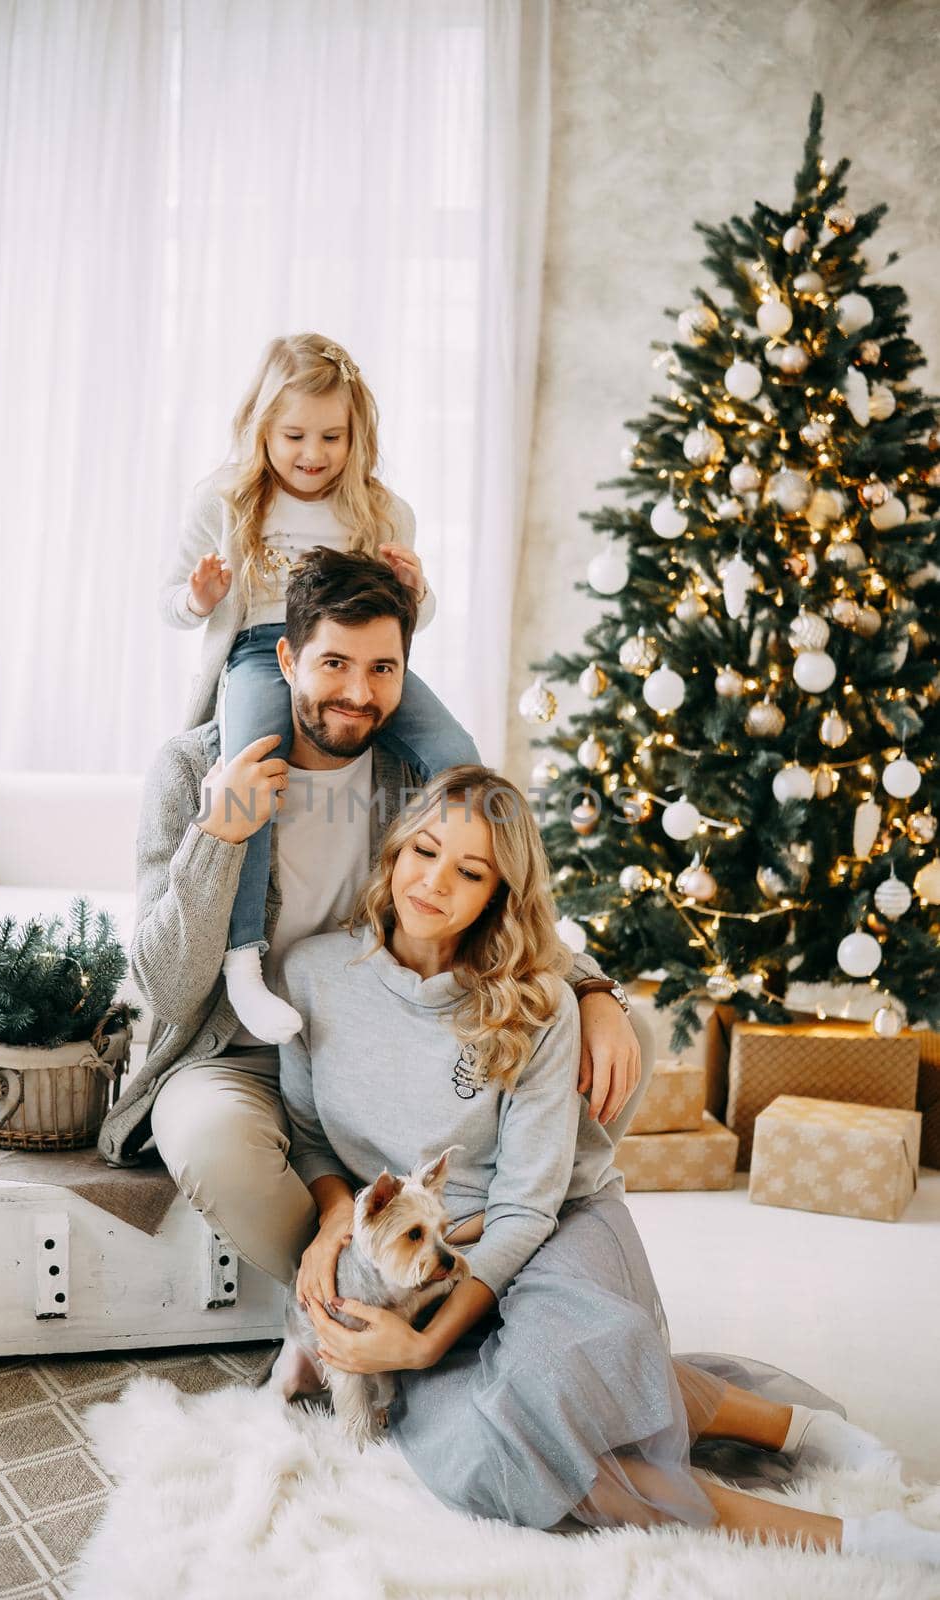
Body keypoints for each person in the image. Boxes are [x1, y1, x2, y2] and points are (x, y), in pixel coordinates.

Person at [277, 765, 934, 1567]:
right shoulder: (313, 974)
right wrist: (337, 1220)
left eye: (471, 871)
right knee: (500, 1451)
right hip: (417, 1253)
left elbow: (526, 1203)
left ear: (500, 893)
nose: (435, 882)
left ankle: (830, 1487)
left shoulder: (536, 1000)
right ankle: (826, 1485)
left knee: (565, 1376)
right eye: (423, 850)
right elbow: (308, 1134)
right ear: (393, 850)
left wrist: (420, 1348)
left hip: (553, 1224)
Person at [100, 551, 648, 1295]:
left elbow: (499, 886)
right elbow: (165, 988)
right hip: (232, 1046)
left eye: (382, 669)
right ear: (287, 658)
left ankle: (490, 1249)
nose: (357, 694)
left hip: (389, 1038)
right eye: (333, 663)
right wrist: (218, 839)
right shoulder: (190, 767)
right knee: (209, 1141)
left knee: (624, 1036)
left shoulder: (412, 770)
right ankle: (350, 1298)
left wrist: (592, 989)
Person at [160, 332, 479, 1044]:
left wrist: (415, 592)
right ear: (261, 429)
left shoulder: (380, 510)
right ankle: (244, 960)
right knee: (250, 780)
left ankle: (461, 931)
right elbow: (167, 602)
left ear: (355, 433)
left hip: (354, 654)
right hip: (256, 651)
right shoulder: (223, 499)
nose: (313, 453)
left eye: (331, 436)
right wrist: (198, 597)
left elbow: (406, 623)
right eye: (294, 434)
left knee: (460, 756)